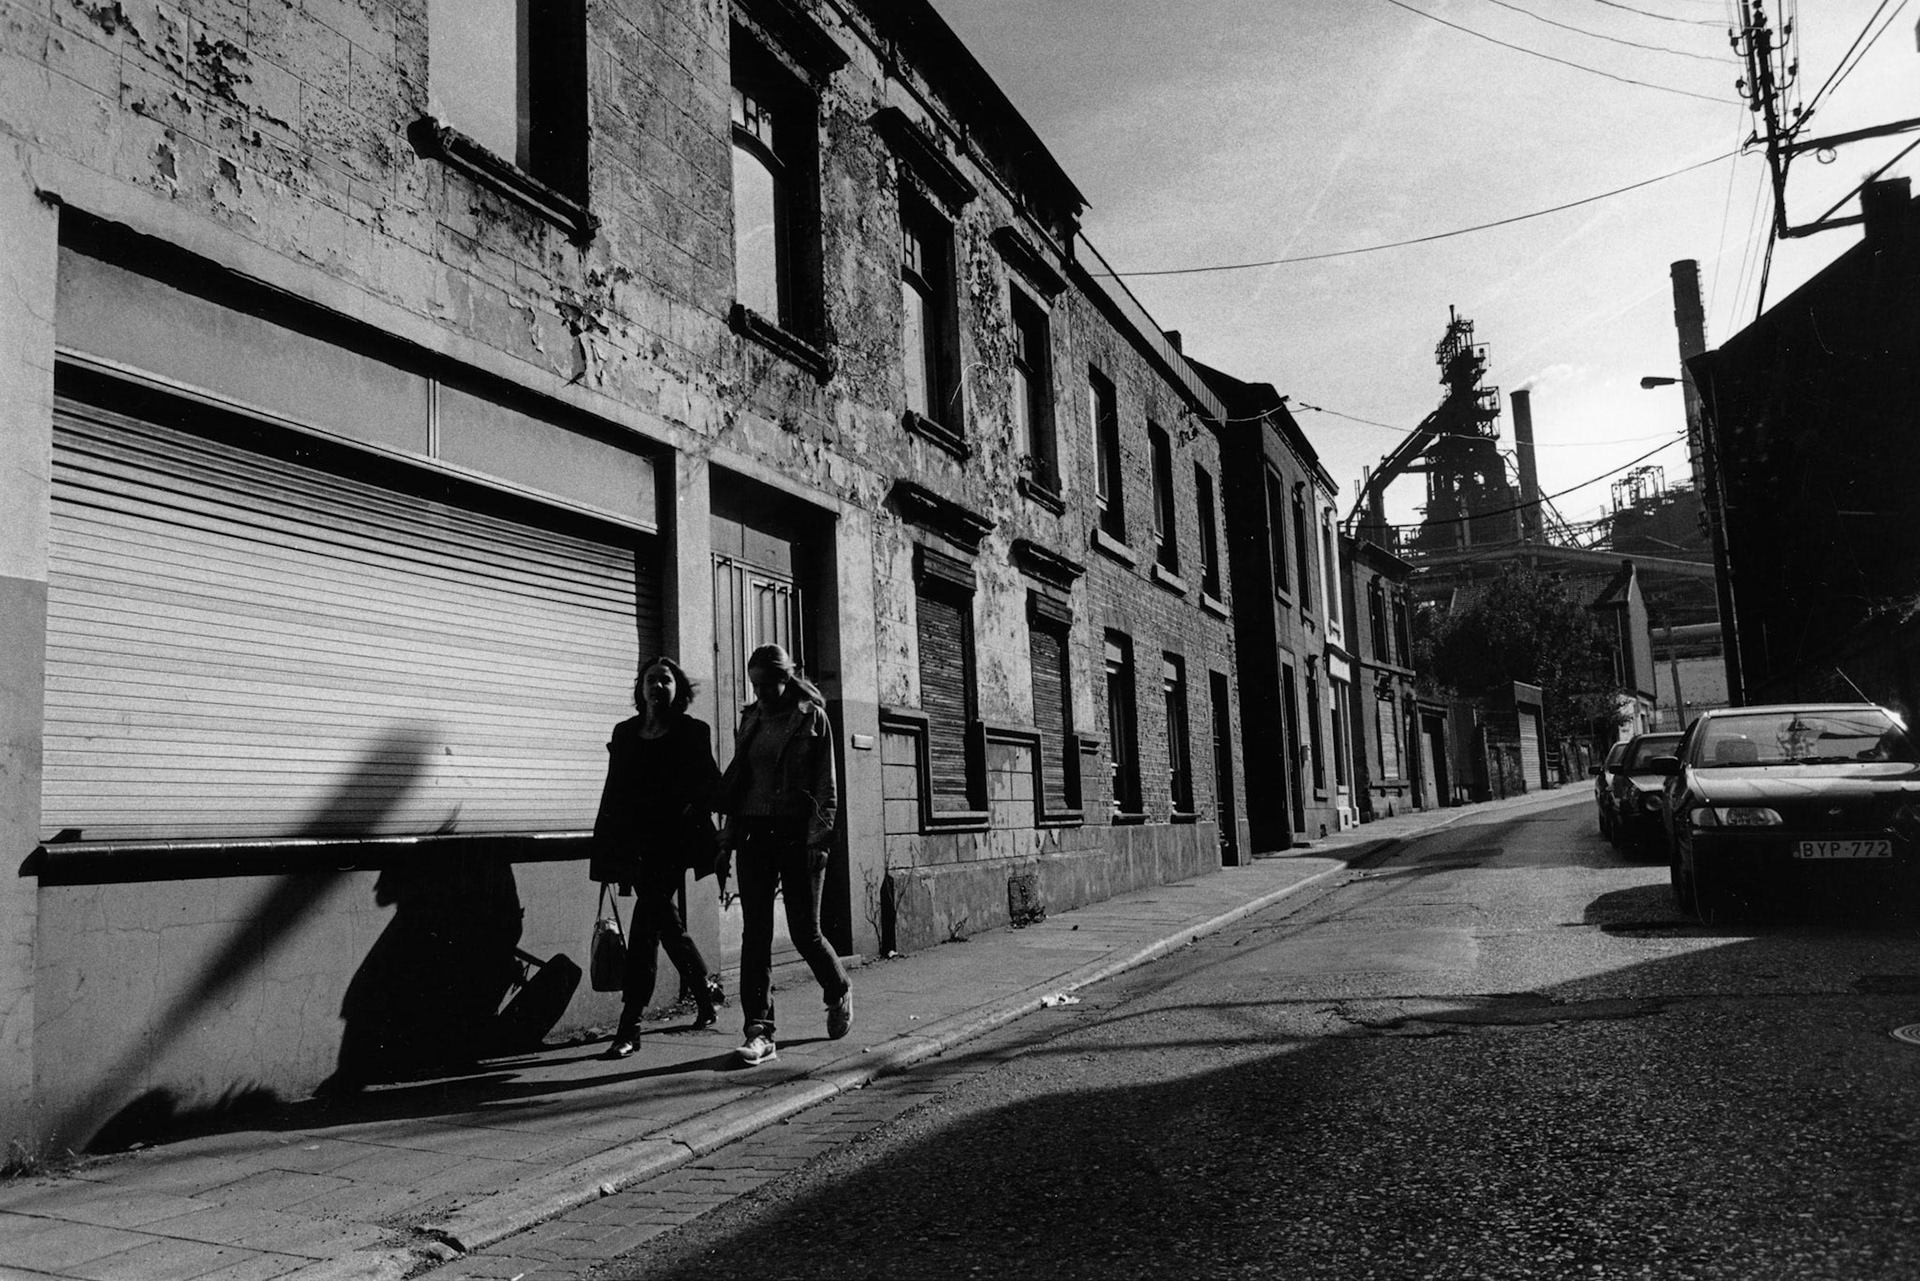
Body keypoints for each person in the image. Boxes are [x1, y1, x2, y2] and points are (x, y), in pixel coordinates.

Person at [716, 644, 850, 1066]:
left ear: (785, 678)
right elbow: (740, 784)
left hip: (797, 834)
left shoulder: (813, 718)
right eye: (754, 686)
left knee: (804, 932)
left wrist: (819, 841)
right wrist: (727, 841)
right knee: (754, 935)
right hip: (754, 833)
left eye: (767, 685)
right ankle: (759, 1031)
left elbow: (826, 787)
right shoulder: (750, 718)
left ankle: (838, 989)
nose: (760, 694)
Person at [590, 656, 723, 1059]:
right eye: (651, 680)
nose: (657, 686)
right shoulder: (626, 733)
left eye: (665, 680)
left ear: (677, 689)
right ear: (640, 688)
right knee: (666, 924)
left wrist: (688, 810)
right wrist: (607, 850)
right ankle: (705, 993)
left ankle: (629, 1024)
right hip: (636, 845)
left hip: (673, 845)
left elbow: (711, 787)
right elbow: (613, 793)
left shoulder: (692, 731)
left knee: (645, 926)